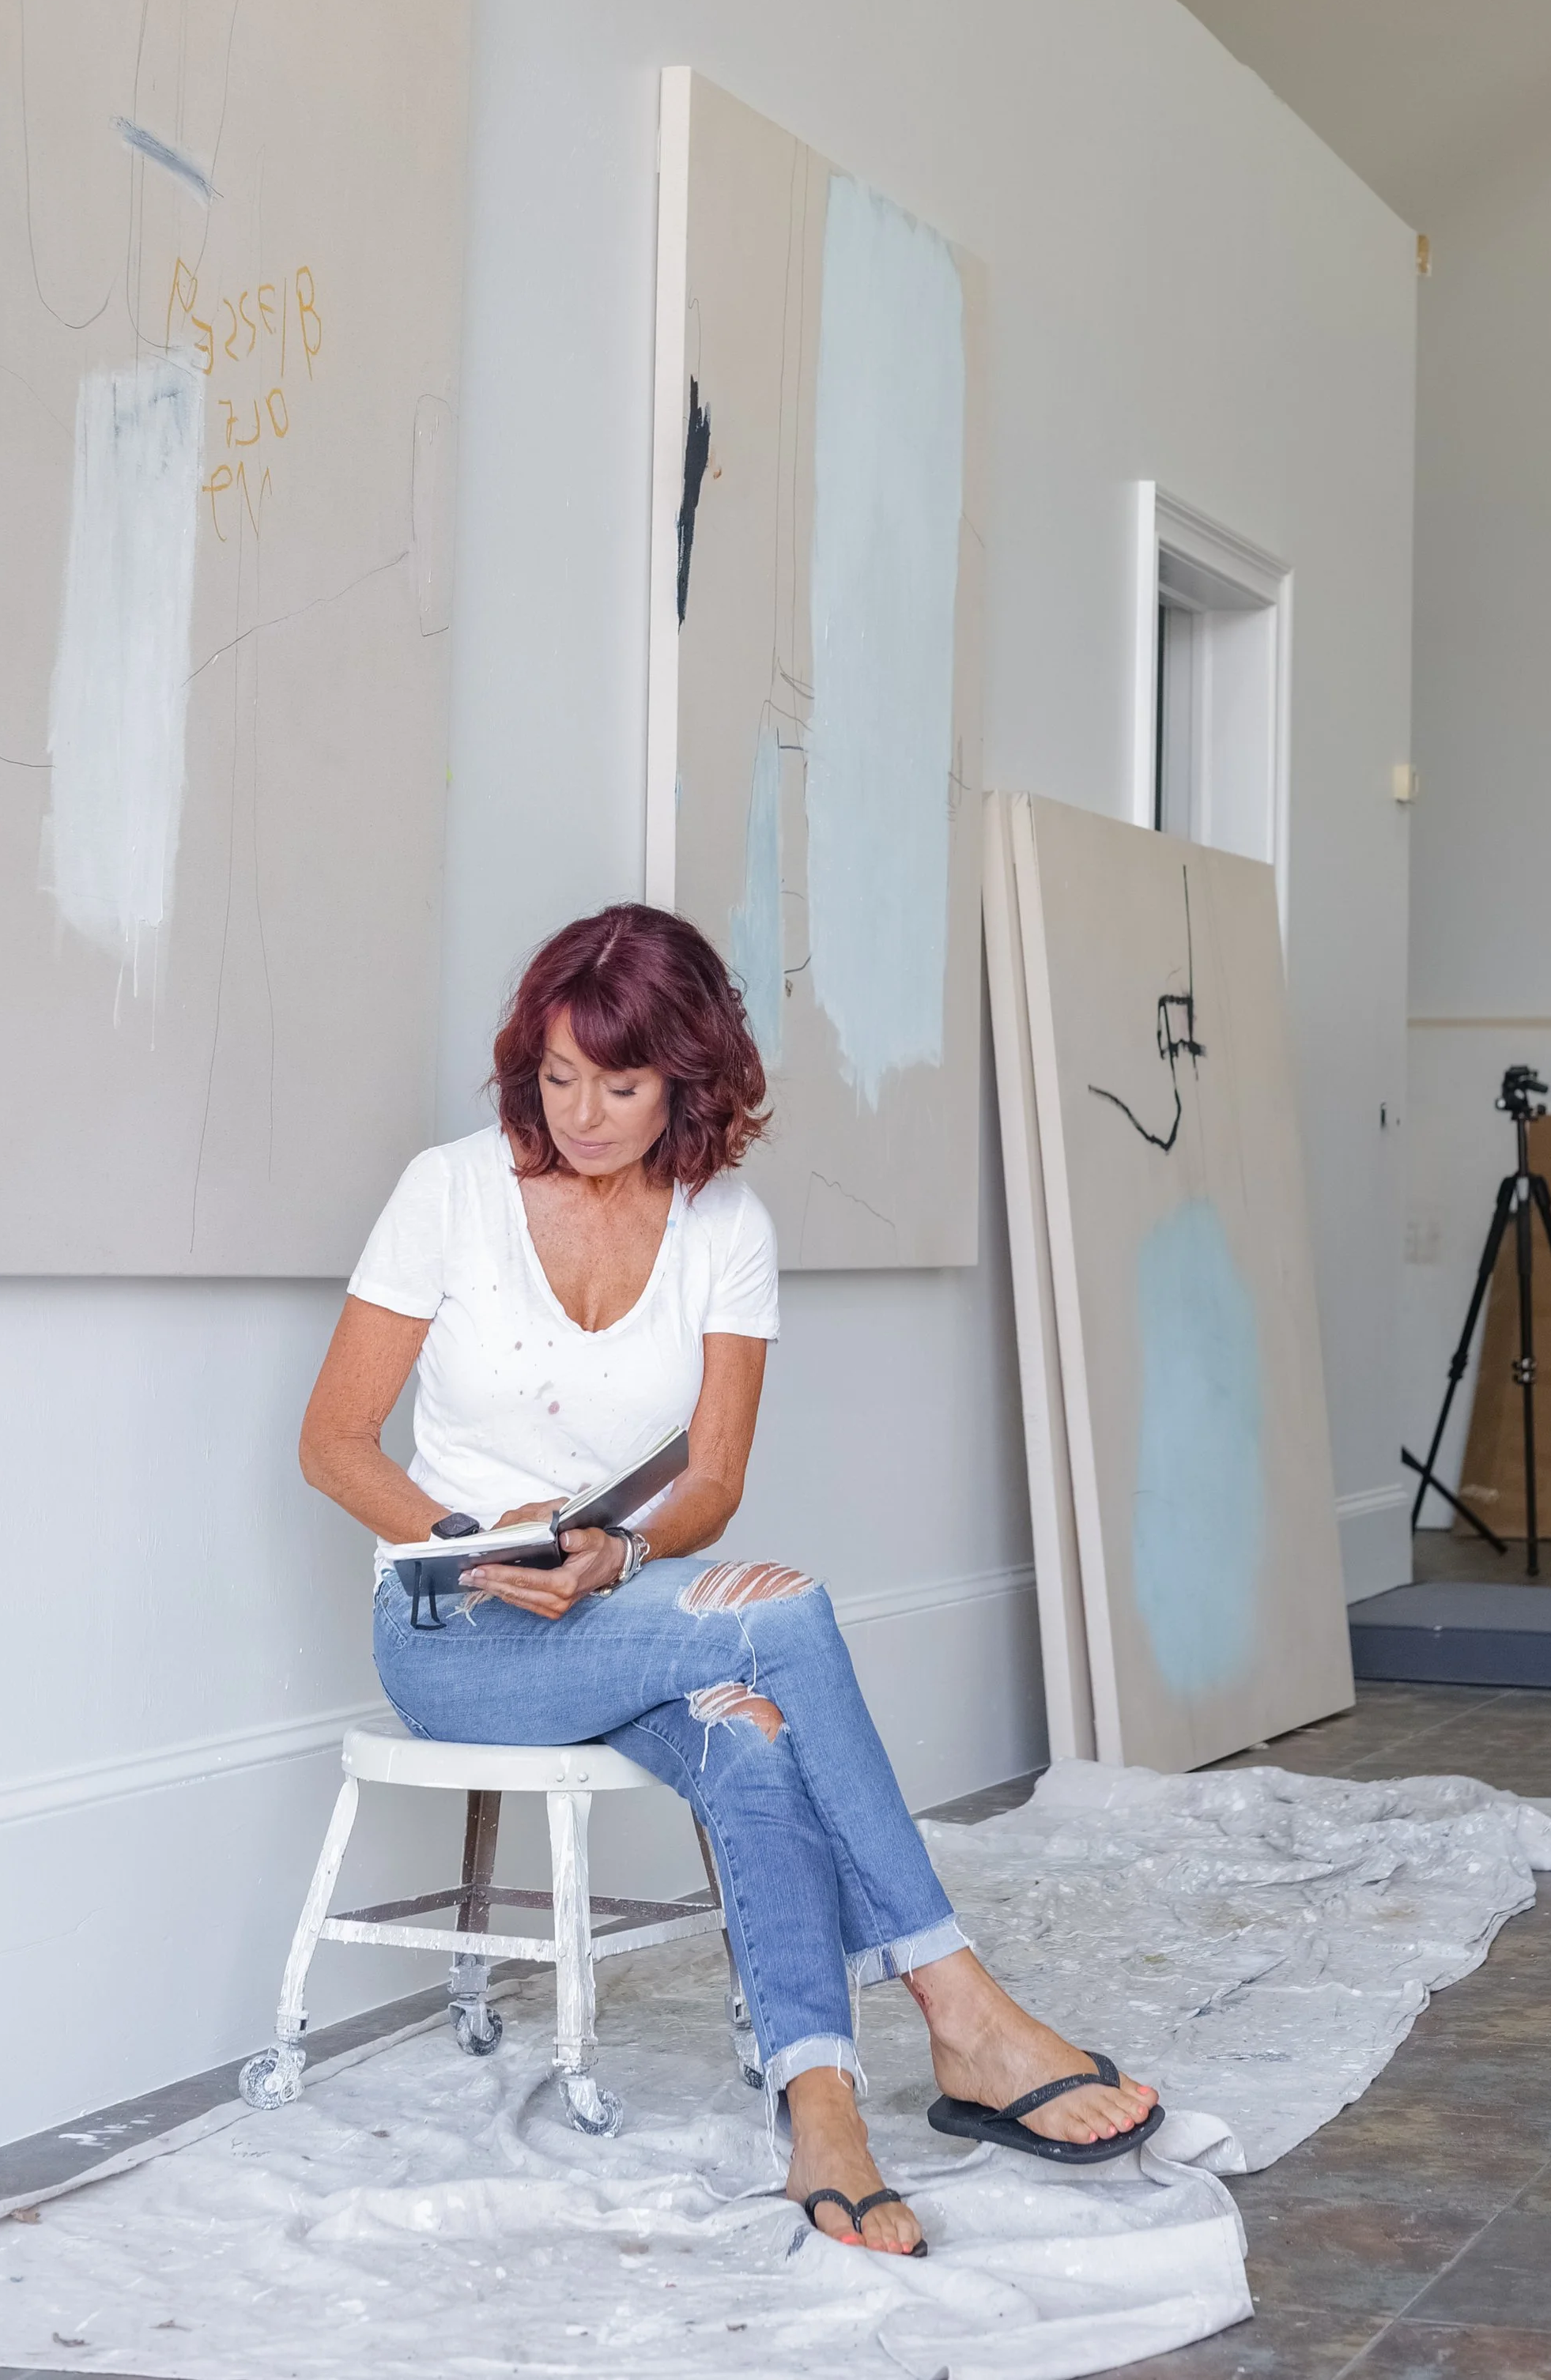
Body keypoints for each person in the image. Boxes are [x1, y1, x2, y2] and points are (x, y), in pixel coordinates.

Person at [300, 902, 1157, 2257]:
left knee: (753, 1738)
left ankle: (823, 2108)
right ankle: (960, 2005)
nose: (580, 1112)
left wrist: (619, 1552)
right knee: (788, 1612)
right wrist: (480, 1529)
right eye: (557, 1074)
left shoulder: (723, 1222)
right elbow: (333, 1442)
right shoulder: (449, 1191)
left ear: (688, 1081)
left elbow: (711, 1481)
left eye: (620, 1084)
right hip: (455, 1629)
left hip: (621, 1619)